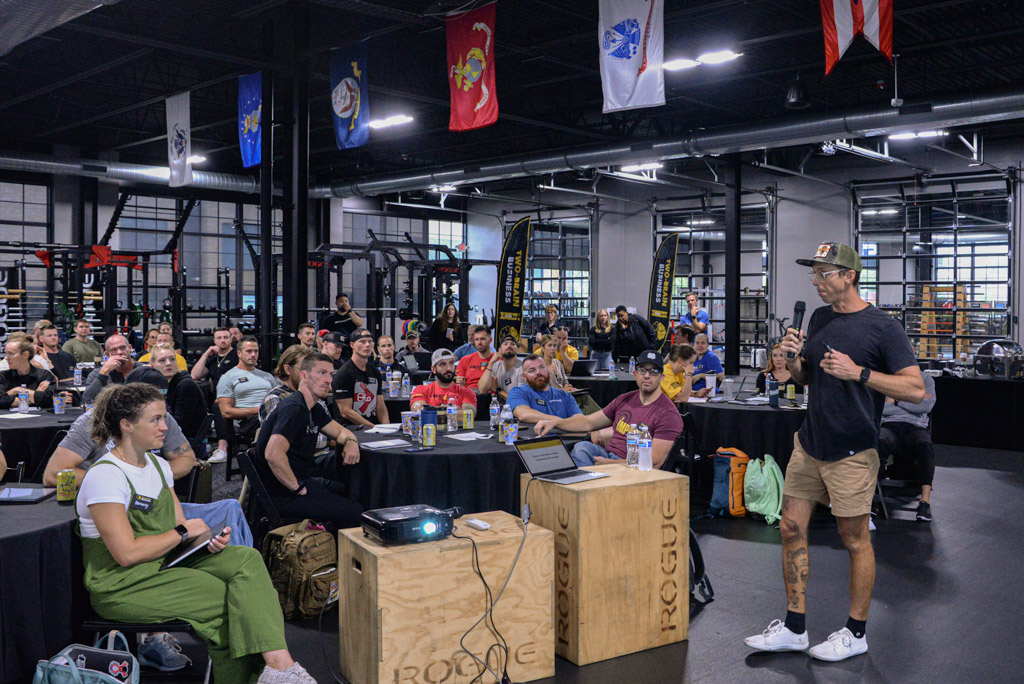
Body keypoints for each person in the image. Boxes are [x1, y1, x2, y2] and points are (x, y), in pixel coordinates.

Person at [743, 241, 925, 663]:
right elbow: (807, 378)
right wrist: (793, 361)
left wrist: (859, 372)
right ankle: (794, 628)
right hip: (810, 443)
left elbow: (916, 389)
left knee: (854, 539)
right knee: (790, 528)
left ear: (849, 276)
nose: (816, 281)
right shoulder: (820, 318)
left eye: (824, 273)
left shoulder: (883, 327)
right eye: (814, 273)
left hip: (852, 451)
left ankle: (856, 633)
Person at [75, 384, 315, 683]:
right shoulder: (105, 476)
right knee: (230, 602)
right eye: (155, 419)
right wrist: (182, 532)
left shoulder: (158, 466)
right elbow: (126, 554)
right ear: (127, 425)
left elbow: (182, 532)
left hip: (163, 563)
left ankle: (280, 667)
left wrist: (205, 542)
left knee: (247, 559)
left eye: (165, 418)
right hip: (122, 584)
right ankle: (275, 673)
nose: (165, 427)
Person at [255, 353, 364, 533]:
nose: (328, 380)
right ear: (304, 376)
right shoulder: (294, 409)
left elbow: (341, 432)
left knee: (353, 491)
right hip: (283, 493)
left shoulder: (314, 408)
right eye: (322, 373)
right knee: (355, 512)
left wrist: (351, 441)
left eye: (331, 374)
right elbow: (273, 454)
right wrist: (297, 488)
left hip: (304, 480)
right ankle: (329, 548)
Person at [535, 350, 683, 468]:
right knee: (582, 447)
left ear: (662, 377)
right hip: (609, 456)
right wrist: (556, 423)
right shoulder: (625, 399)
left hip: (633, 470)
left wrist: (611, 464)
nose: (647, 375)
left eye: (654, 371)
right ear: (635, 374)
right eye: (642, 370)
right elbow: (588, 422)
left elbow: (654, 462)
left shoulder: (668, 414)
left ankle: (591, 492)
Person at [260, 345, 334, 467]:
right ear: (288, 369)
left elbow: (330, 428)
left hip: (321, 456)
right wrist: (331, 441)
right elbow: (292, 442)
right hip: (295, 463)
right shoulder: (275, 398)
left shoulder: (314, 397)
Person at [878, 373, 937, 522]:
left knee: (924, 445)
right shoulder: (885, 377)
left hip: (916, 427)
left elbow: (926, 406)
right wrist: (913, 401)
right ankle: (873, 498)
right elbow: (880, 407)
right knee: (880, 442)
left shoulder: (925, 379)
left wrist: (896, 400)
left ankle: (924, 502)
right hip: (890, 425)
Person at [191, 327, 239, 464]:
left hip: (236, 395)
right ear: (214, 341)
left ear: (231, 339)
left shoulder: (237, 355)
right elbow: (195, 375)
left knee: (219, 406)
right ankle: (200, 443)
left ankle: (222, 448)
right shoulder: (213, 358)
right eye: (219, 338)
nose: (222, 340)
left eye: (225, 337)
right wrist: (206, 354)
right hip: (218, 397)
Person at [216, 336, 277, 443]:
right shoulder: (228, 378)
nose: (253, 354)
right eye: (249, 351)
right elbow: (226, 412)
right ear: (239, 353)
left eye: (256, 351)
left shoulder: (267, 376)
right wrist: (258, 410)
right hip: (248, 421)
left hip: (271, 415)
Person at [333, 329, 390, 427]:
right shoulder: (343, 373)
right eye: (362, 341)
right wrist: (373, 427)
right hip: (351, 428)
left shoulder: (374, 371)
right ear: (352, 345)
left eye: (370, 341)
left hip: (372, 427)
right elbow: (345, 411)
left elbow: (380, 406)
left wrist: (387, 428)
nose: (367, 345)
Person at [150, 344, 207, 440]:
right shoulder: (161, 383)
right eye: (162, 360)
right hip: (169, 436)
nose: (168, 363)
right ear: (152, 365)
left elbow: (178, 424)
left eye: (172, 359)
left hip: (187, 440)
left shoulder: (186, 385)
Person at [508, 355, 582, 424]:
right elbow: (524, 414)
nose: (538, 372)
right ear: (524, 376)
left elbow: (580, 420)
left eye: (542, 367)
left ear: (548, 370)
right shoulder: (518, 392)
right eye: (532, 370)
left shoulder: (564, 395)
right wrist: (559, 421)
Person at [410, 349, 477, 414]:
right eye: (442, 364)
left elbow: (469, 414)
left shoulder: (466, 392)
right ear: (433, 369)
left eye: (451, 363)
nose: (448, 368)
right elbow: (418, 410)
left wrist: (432, 410)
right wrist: (451, 410)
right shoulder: (421, 390)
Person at [0, 335, 56, 409]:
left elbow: (47, 400)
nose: (6, 358)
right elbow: (1, 400)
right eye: (6, 353)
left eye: (11, 354)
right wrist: (35, 395)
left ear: (25, 355)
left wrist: (17, 391)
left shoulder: (44, 375)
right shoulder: (3, 376)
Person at [82, 333, 136, 404]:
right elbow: (87, 399)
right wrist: (103, 373)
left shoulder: (143, 370)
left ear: (130, 348)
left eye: (122, 347)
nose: (119, 352)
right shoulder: (97, 374)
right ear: (107, 354)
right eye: (114, 350)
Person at [478, 335, 523, 400]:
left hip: (516, 405)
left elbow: (519, 400)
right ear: (499, 350)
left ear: (517, 350)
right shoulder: (495, 366)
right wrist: (491, 363)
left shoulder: (523, 367)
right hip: (496, 404)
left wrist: (497, 390)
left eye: (513, 344)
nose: (509, 346)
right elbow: (482, 390)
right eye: (505, 344)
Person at [456, 325, 496, 391]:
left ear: (490, 340)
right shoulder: (465, 360)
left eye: (482, 339)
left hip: (490, 395)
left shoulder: (498, 360)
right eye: (477, 339)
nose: (479, 342)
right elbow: (460, 385)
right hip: (469, 394)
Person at [691, 333, 724, 397]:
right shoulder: (694, 357)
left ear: (708, 345)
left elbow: (720, 376)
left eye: (703, 343)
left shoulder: (711, 357)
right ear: (693, 344)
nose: (700, 345)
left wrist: (701, 375)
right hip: (693, 391)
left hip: (706, 393)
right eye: (697, 343)